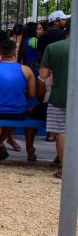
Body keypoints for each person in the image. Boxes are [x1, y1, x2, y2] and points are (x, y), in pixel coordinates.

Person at [0, 38, 36, 162]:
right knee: (12, 114)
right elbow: (32, 94)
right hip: (19, 112)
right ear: (15, 53)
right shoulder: (26, 70)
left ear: (0, 53)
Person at [39, 22, 70, 179]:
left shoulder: (53, 47)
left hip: (60, 95)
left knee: (62, 132)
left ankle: (66, 170)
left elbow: (43, 74)